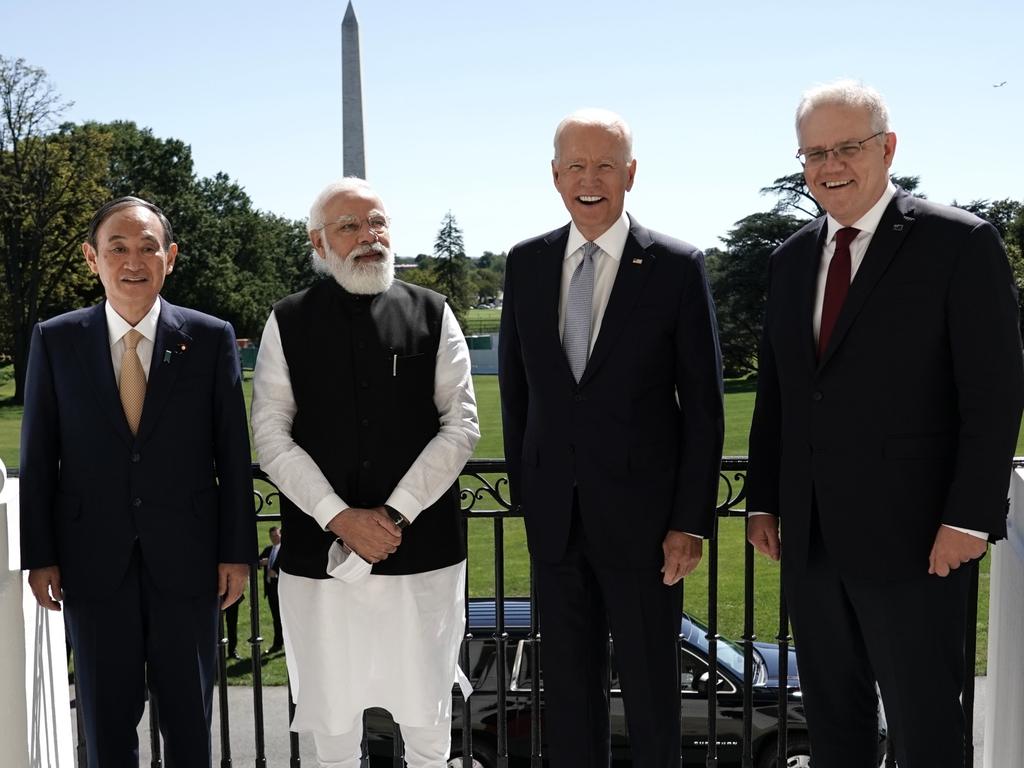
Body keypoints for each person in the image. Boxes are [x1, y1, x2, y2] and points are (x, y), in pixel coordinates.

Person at [746, 80, 1024, 768]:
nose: (829, 165)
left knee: (925, 732)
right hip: (810, 547)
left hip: (919, 543)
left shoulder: (958, 244)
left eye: (847, 148)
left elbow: (993, 393)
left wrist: (968, 518)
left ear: (888, 148)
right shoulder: (788, 262)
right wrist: (763, 500)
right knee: (835, 731)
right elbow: (780, 393)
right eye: (814, 153)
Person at [498, 109, 724, 768]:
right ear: (555, 175)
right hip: (556, 526)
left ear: (630, 174)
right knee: (567, 702)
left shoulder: (677, 268)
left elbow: (704, 409)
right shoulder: (526, 264)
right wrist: (529, 492)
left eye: (604, 166)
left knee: (654, 699)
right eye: (576, 166)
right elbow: (518, 394)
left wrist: (690, 521)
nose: (588, 180)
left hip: (650, 531)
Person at [19, 196, 256, 767]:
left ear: (169, 258)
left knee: (189, 730)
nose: (133, 260)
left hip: (190, 565)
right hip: (92, 567)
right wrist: (40, 556)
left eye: (148, 247)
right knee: (104, 728)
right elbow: (38, 453)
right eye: (117, 248)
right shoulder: (56, 340)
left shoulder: (209, 337)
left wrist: (237, 553)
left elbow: (232, 450)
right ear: (91, 258)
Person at [251, 178, 479, 768]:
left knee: (429, 720)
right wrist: (339, 518)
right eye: (349, 226)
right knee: (331, 726)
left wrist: (395, 513)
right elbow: (271, 435)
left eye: (376, 223)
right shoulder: (288, 321)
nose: (367, 237)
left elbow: (461, 426)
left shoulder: (433, 311)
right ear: (318, 242)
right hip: (317, 560)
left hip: (423, 549)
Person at [258, 526, 283, 654]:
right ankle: (278, 643)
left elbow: (288, 567)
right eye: (272, 536)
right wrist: (262, 562)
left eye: (276, 535)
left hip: (282, 591)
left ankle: (280, 644)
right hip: (271, 591)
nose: (274, 538)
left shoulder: (285, 550)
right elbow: (256, 561)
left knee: (282, 618)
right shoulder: (268, 550)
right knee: (276, 618)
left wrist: (277, 574)